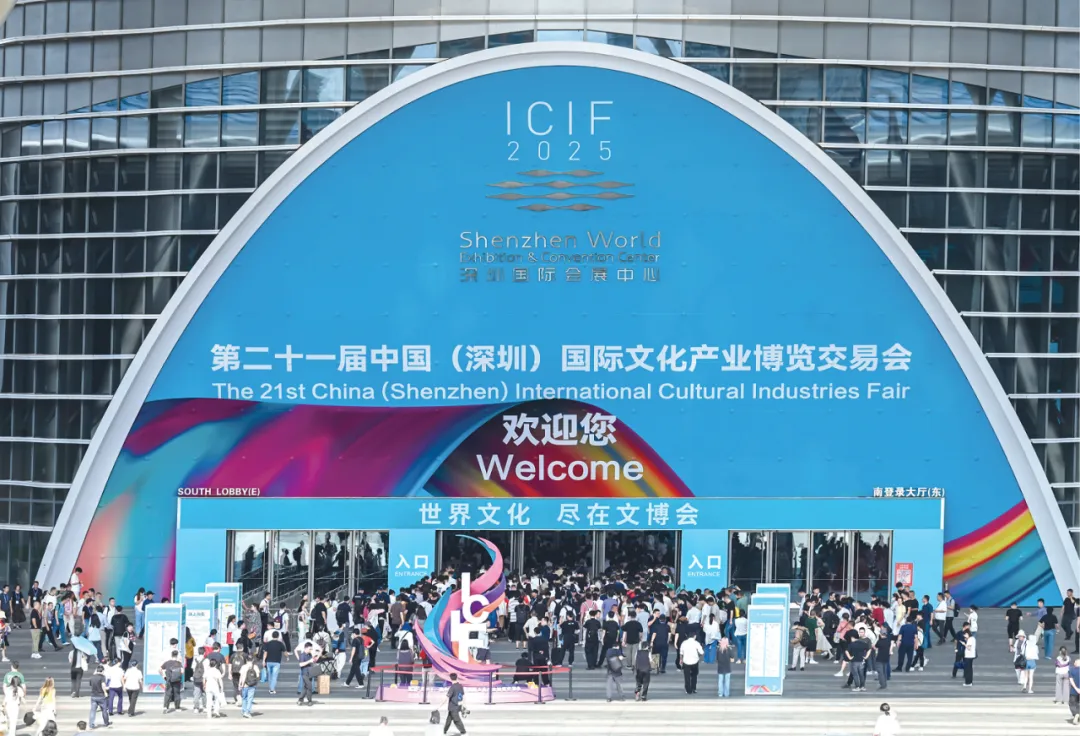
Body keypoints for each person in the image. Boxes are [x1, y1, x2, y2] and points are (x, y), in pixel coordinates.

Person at [262, 629, 287, 694]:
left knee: (270, 675)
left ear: (272, 636)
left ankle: (271, 688)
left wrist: (264, 661)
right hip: (277, 662)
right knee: (274, 676)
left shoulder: (268, 643)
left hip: (268, 661)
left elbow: (265, 653)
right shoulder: (280, 644)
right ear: (278, 636)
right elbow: (285, 652)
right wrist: (287, 657)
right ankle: (272, 689)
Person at [87, 664, 109, 729]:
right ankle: (106, 722)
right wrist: (105, 692)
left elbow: (90, 685)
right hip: (101, 696)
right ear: (102, 671)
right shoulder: (102, 677)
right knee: (104, 710)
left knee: (93, 711)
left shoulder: (92, 677)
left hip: (93, 695)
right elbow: (103, 685)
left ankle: (91, 724)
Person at [239, 653, 260, 719]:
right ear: (253, 660)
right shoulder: (255, 667)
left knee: (244, 698)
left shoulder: (243, 667)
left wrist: (240, 684)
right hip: (252, 685)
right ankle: (247, 712)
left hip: (244, 685)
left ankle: (244, 710)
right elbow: (257, 676)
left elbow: (241, 676)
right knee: (250, 698)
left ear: (246, 660)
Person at [297, 642, 315, 706]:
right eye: (310, 649)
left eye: (311, 649)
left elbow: (311, 662)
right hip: (305, 673)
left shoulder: (310, 655)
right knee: (309, 686)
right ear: (306, 648)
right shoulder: (302, 655)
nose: (311, 650)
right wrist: (309, 661)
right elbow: (301, 664)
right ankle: (309, 700)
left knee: (305, 687)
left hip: (310, 673)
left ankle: (300, 699)